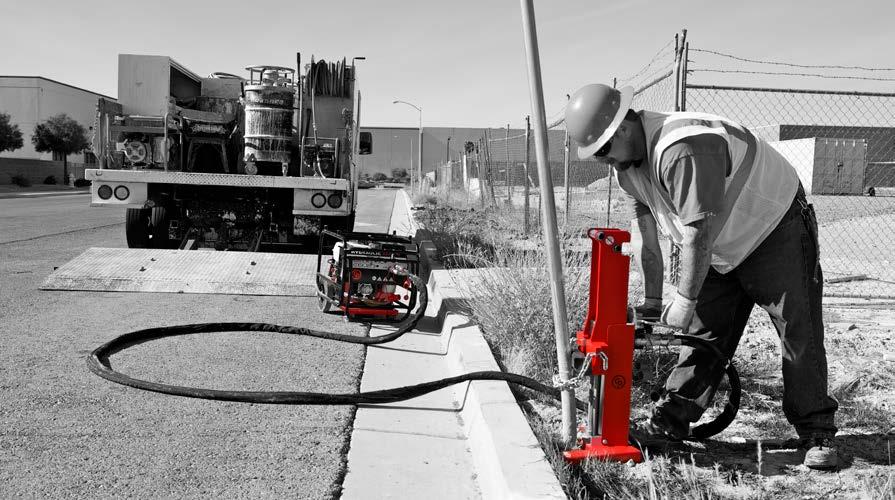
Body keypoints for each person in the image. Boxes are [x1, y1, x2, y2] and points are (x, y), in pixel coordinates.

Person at [564, 84, 839, 470]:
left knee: (799, 332)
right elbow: (649, 240)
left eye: (604, 151)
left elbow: (696, 234)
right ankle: (669, 421)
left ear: (623, 127)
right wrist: (656, 302)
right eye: (597, 157)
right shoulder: (628, 172)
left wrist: (686, 300)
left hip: (774, 228)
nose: (604, 162)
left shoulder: (681, 146)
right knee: (703, 335)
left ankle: (816, 431)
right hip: (720, 243)